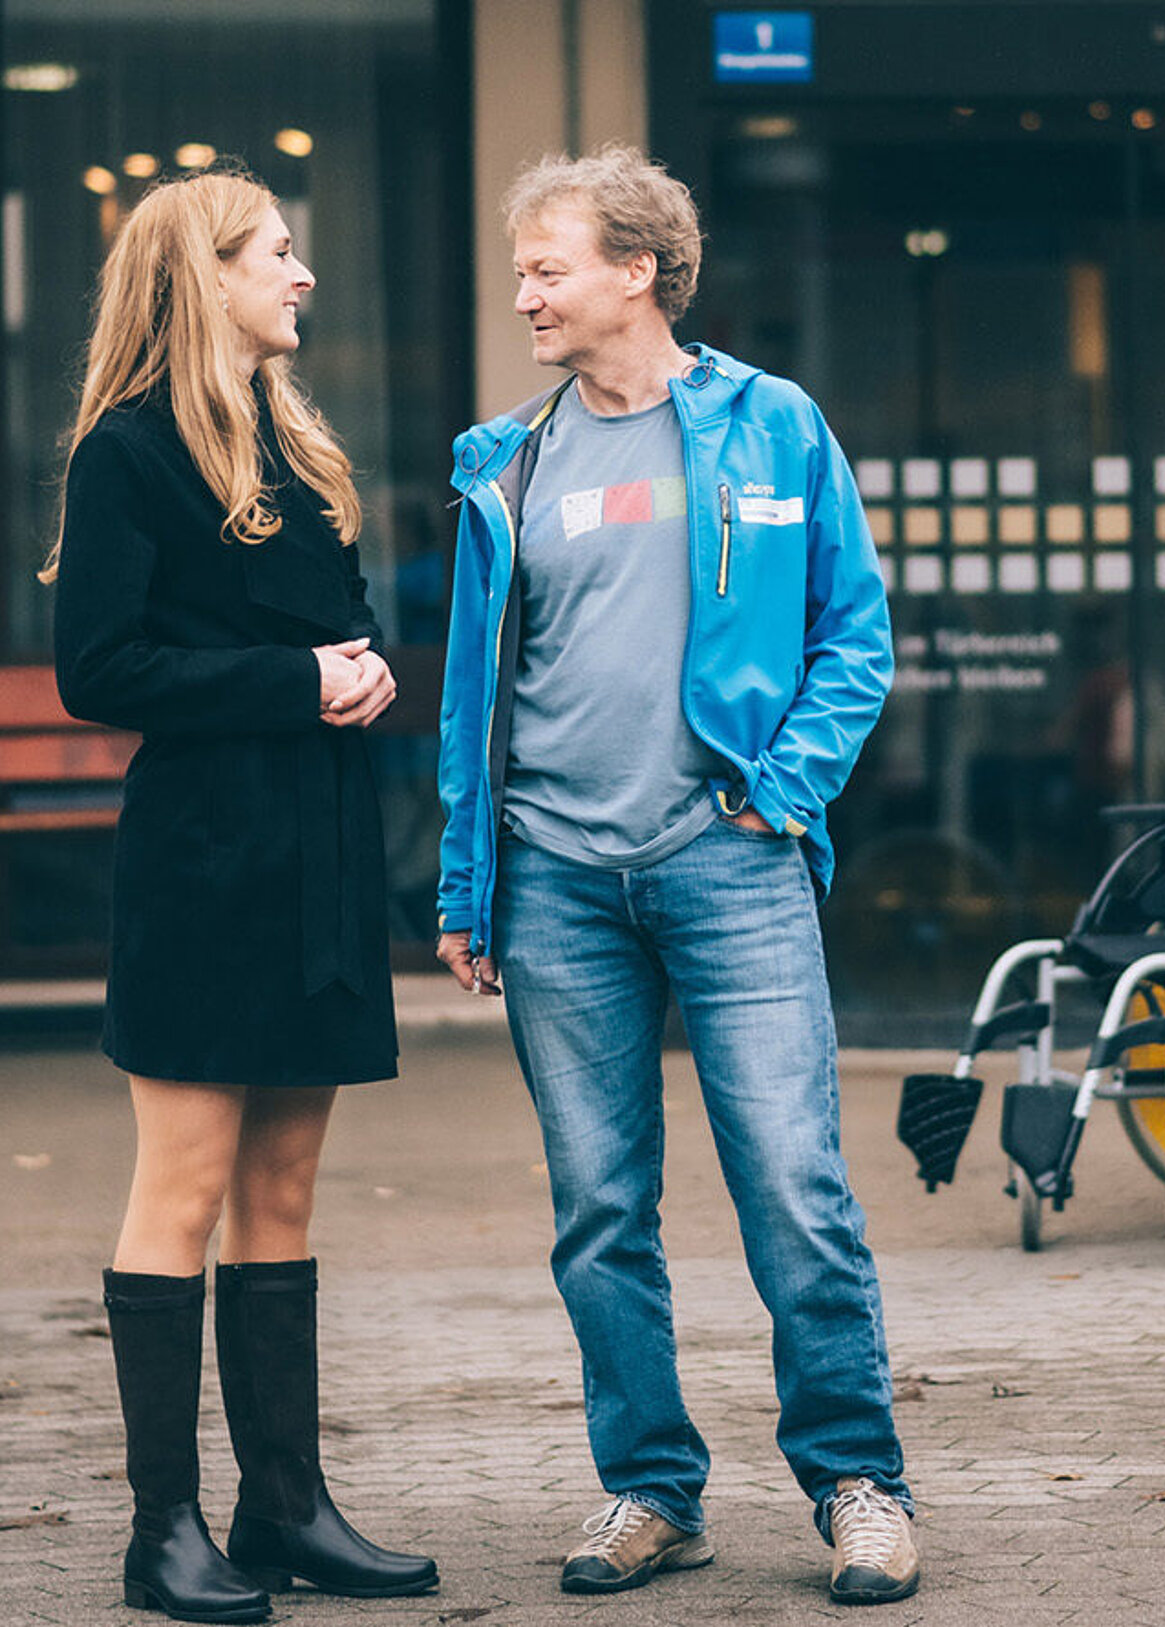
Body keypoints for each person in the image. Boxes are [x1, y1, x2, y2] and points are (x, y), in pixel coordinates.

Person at [431, 144, 918, 1606]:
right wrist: (468, 883)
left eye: (547, 266)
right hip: (558, 879)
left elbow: (856, 637)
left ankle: (858, 1485)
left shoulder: (773, 427)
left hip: (732, 864)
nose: (523, 292)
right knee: (598, 1212)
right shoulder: (505, 462)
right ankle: (652, 1490)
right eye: (521, 270)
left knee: (794, 1186)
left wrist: (783, 794)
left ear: (637, 270)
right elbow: (475, 693)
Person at [47, 163, 437, 1623]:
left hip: (319, 854)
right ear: (203, 275)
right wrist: (298, 680)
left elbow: (329, 629)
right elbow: (101, 671)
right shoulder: (128, 454)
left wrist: (371, 663)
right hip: (205, 861)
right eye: (279, 251)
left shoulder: (293, 440)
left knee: (283, 1185)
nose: (303, 273)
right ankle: (165, 1536)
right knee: (188, 1185)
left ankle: (286, 1509)